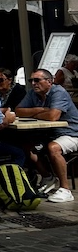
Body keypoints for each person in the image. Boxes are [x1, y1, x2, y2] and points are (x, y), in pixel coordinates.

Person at [15, 68, 78, 203]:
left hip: (72, 132)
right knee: (25, 145)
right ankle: (47, 177)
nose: (33, 83)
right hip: (49, 133)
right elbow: (19, 111)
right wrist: (39, 110)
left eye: (37, 80)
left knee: (53, 148)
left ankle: (65, 189)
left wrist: (34, 113)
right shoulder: (33, 93)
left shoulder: (58, 92)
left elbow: (53, 116)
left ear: (49, 81)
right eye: (31, 80)